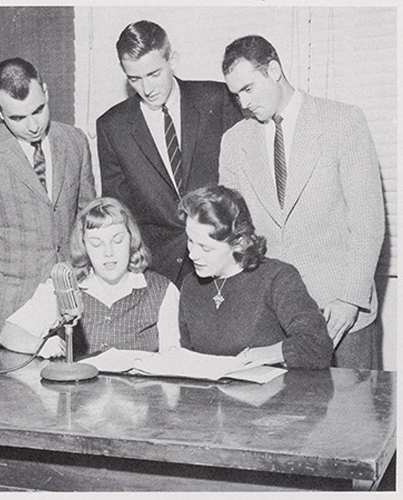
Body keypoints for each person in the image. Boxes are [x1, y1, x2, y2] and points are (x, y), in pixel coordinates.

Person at [219, 35, 384, 369]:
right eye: (235, 94)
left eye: (249, 88)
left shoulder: (343, 122)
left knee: (350, 418)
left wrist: (350, 298)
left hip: (341, 315)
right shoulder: (234, 141)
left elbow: (368, 223)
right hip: (274, 320)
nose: (243, 103)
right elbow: (234, 234)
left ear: (275, 70)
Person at [0, 57, 96, 357]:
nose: (34, 125)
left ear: (46, 91)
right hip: (4, 320)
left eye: (38, 110)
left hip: (70, 313)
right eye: (18, 118)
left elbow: (88, 222)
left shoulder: (74, 141)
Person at [97, 20, 242, 288]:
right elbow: (120, 210)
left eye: (154, 74)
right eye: (134, 78)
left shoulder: (217, 99)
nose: (147, 88)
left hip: (222, 260)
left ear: (171, 59)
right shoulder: (111, 127)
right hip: (158, 271)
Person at [0, 197, 180, 358]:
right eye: (96, 244)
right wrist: (39, 345)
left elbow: (174, 358)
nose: (108, 252)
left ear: (131, 240)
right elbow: (9, 334)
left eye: (117, 241)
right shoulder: (65, 286)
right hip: (77, 395)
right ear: (84, 246)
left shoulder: (162, 290)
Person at [178, 185, 333, 370]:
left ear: (240, 243)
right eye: (190, 241)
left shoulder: (277, 278)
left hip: (277, 394)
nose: (192, 255)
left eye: (205, 248)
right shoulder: (191, 285)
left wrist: (267, 354)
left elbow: (317, 345)